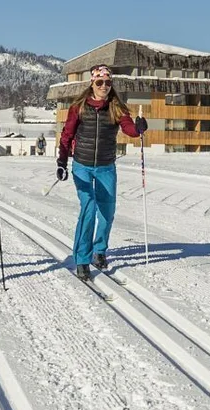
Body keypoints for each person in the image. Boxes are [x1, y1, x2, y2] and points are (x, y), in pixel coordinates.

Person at [55, 64, 146, 280]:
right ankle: (82, 259)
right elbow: (67, 135)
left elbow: (130, 130)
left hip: (106, 166)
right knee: (88, 208)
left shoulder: (116, 107)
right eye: (99, 82)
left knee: (106, 212)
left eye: (107, 82)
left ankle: (99, 251)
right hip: (82, 166)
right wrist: (61, 161)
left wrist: (140, 127)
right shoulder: (79, 107)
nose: (104, 86)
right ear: (92, 84)